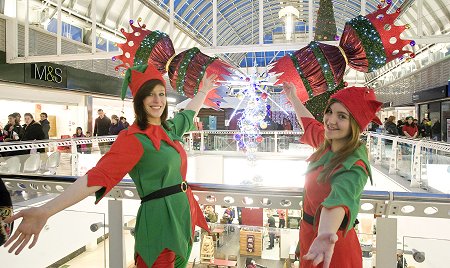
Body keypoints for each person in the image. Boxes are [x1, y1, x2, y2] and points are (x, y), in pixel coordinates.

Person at [4, 64, 218, 268]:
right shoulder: (132, 139)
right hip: (159, 219)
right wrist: (45, 210)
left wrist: (203, 91)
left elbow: (188, 114)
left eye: (161, 93)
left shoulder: (169, 129)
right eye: (150, 94)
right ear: (140, 100)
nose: (157, 100)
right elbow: (97, 177)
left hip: (184, 212)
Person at [283, 82, 381, 268]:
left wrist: (326, 234)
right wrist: (293, 97)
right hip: (311, 236)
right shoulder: (330, 142)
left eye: (342, 116)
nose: (330, 120)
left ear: (355, 124)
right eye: (330, 111)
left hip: (331, 247)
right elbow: (310, 125)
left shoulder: (354, 163)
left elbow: (339, 198)